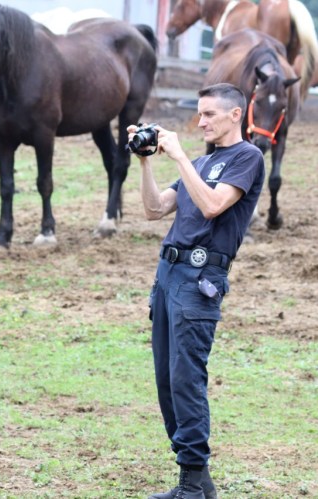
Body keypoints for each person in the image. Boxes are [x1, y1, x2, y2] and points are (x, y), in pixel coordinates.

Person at [129, 83, 265, 499]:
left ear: (234, 115)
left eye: (208, 114)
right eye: (200, 114)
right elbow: (154, 209)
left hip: (199, 282)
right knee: (167, 380)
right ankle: (197, 481)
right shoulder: (203, 161)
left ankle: (192, 484)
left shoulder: (247, 158)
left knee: (187, 379)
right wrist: (145, 162)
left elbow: (211, 206)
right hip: (168, 276)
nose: (200, 121)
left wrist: (181, 156)